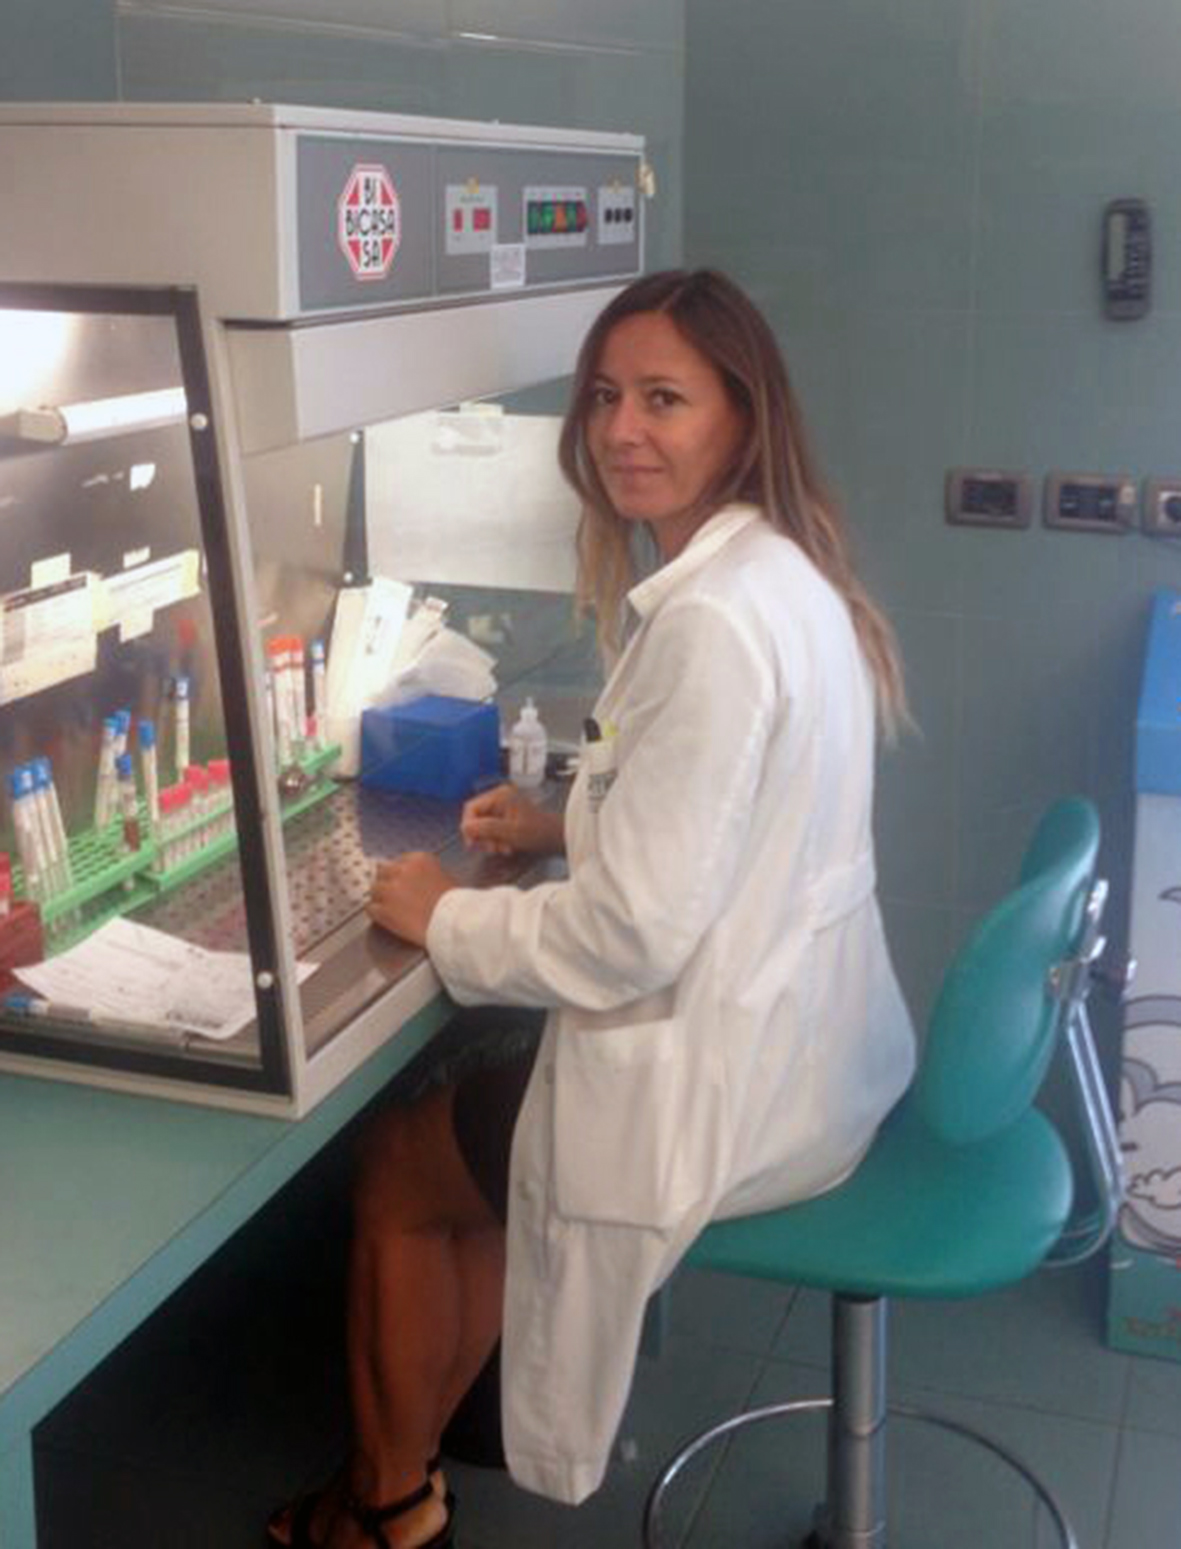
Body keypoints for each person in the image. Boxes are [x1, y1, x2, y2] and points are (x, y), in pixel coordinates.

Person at [268, 269, 916, 1549]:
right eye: (606, 397)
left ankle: (385, 1506)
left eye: (663, 399)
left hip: (729, 1092)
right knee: (476, 1133)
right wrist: (570, 825)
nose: (623, 429)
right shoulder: (778, 573)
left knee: (402, 1163)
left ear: (740, 415)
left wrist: (442, 914)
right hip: (813, 1053)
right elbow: (738, 830)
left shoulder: (713, 623)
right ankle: (407, 1467)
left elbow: (629, 936)